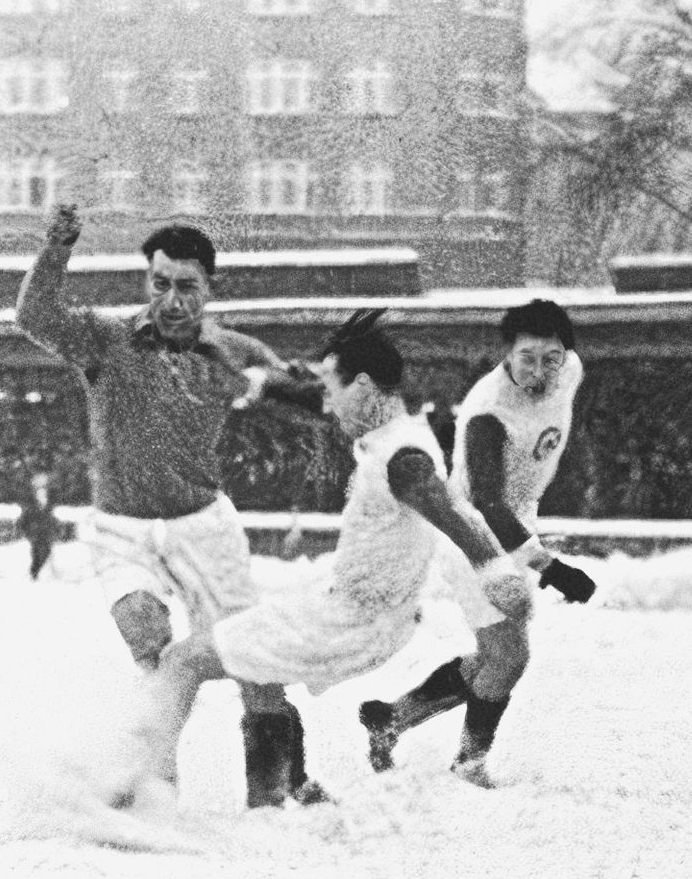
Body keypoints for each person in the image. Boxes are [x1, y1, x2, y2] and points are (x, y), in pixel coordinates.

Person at [112, 311, 533, 809]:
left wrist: (498, 572)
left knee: (184, 661)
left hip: (355, 620)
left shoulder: (406, 460)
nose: (329, 405)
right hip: (355, 609)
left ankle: (147, 792)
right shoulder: (393, 434)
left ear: (362, 385)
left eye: (334, 390)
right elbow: (311, 394)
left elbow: (455, 517)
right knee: (252, 660)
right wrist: (251, 373)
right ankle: (286, 795)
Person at [17, 203, 330, 808]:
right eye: (160, 283)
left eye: (187, 286)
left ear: (210, 289)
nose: (173, 299)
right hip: (121, 527)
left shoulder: (234, 351)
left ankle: (277, 788)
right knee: (147, 633)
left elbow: (314, 393)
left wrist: (316, 384)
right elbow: (33, 316)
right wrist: (55, 249)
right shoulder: (106, 339)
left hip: (203, 526)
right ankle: (154, 780)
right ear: (147, 282)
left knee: (252, 659)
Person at [358, 298, 596, 787]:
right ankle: (469, 765)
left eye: (550, 357)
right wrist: (550, 567)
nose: (540, 371)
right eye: (526, 357)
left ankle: (392, 719)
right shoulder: (489, 413)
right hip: (475, 538)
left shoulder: (570, 370)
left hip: (517, 525)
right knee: (509, 658)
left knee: (494, 659)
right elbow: (487, 504)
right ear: (506, 353)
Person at [19, 471, 62, 581]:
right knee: (37, 552)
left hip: (46, 530)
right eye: (38, 481)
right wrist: (26, 529)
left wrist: (55, 527)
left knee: (46, 551)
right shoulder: (30, 499)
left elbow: (51, 515)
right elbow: (25, 517)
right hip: (35, 531)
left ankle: (35, 572)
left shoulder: (50, 497)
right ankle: (34, 573)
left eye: (43, 481)